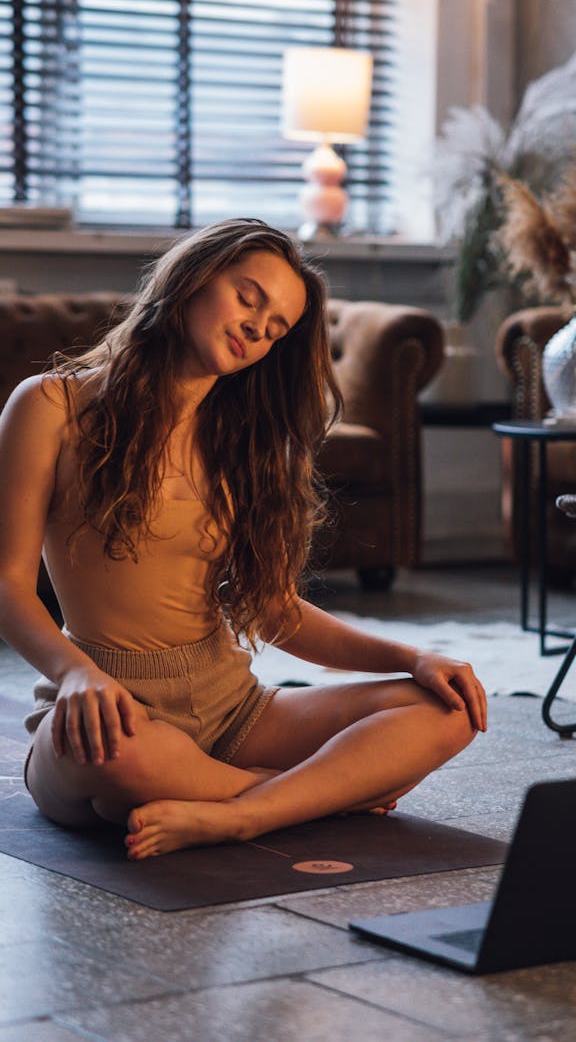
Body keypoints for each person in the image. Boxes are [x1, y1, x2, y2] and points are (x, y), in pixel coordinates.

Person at [0, 218, 486, 861]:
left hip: (233, 708)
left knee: (447, 710)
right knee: (119, 756)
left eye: (278, 326)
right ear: (193, 279)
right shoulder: (49, 406)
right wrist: (76, 677)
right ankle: (306, 796)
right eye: (249, 297)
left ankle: (240, 814)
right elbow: (8, 582)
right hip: (107, 708)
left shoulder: (249, 447)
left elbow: (276, 612)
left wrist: (412, 658)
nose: (259, 327)